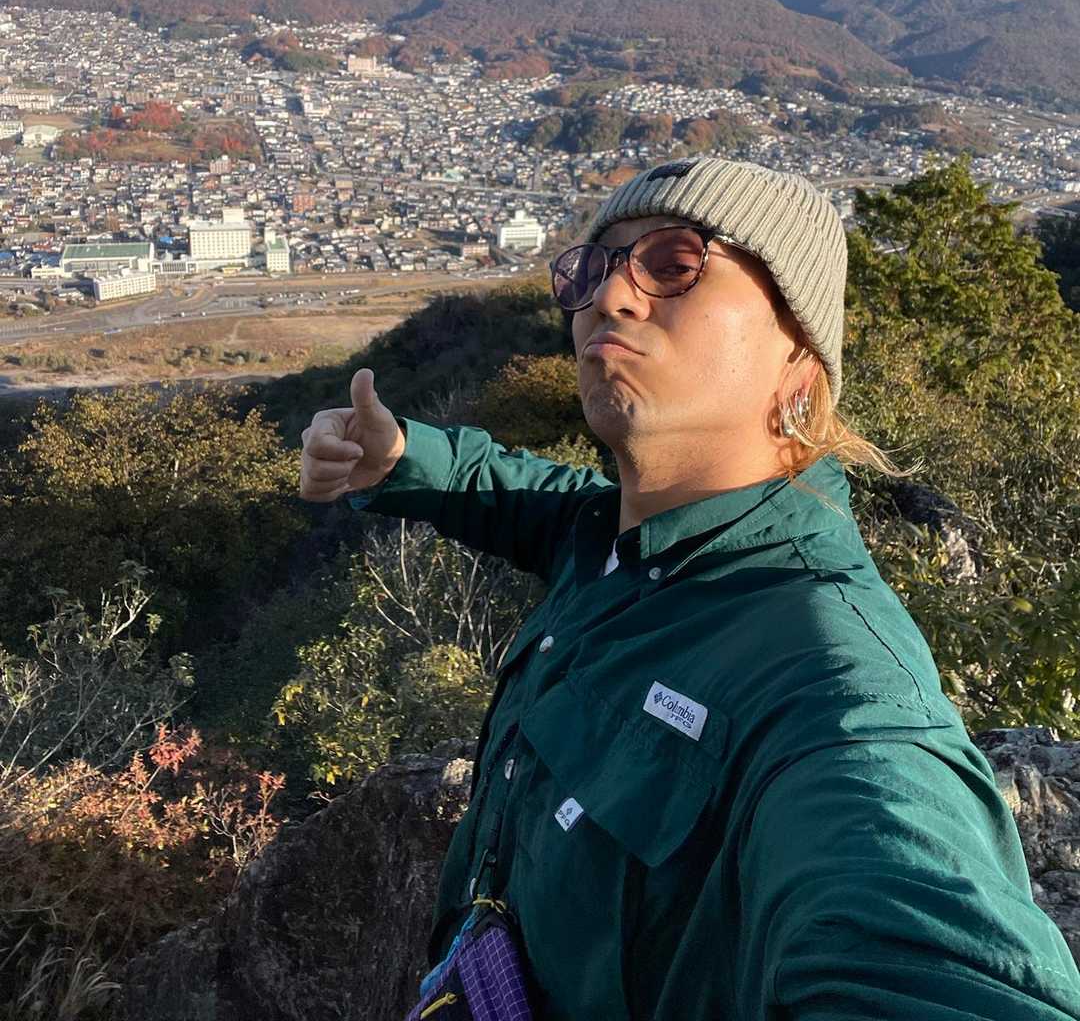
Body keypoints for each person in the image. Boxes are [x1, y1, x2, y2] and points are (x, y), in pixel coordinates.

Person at [300, 156, 1080, 1020]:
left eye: (674, 264)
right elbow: (519, 492)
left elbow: (919, 938)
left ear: (800, 355)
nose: (610, 297)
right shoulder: (612, 539)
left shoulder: (828, 678)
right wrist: (400, 457)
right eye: (591, 270)